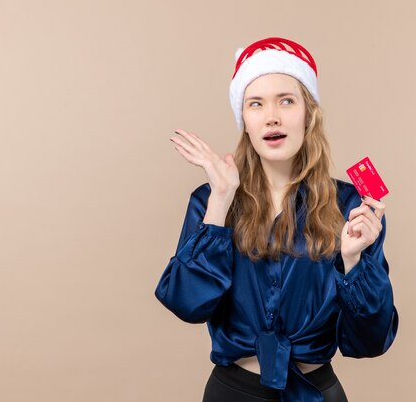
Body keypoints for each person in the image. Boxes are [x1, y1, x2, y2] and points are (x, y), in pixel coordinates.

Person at [155, 37, 399, 402]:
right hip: (232, 394)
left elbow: (371, 341)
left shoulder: (351, 206)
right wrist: (220, 204)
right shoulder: (210, 201)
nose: (272, 115)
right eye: (256, 104)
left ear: (308, 113)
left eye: (286, 100)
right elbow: (187, 305)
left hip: (315, 391)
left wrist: (353, 262)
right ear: (246, 121)